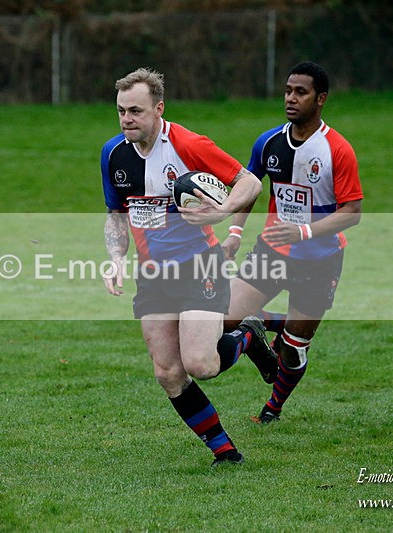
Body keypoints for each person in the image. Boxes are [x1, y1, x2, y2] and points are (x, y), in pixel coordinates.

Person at [101, 68, 278, 466]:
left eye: (135, 111)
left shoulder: (188, 144)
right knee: (168, 372)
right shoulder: (113, 154)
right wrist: (115, 258)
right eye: (120, 111)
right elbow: (116, 213)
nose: (126, 119)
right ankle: (225, 453)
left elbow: (249, 182)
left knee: (201, 364)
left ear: (158, 109)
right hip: (153, 277)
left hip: (201, 268)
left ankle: (248, 334)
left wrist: (223, 209)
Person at [221, 61, 363, 424]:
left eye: (301, 92)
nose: (291, 98)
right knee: (223, 319)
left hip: (320, 261)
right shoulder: (269, 142)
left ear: (321, 99)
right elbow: (248, 188)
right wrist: (235, 233)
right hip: (272, 251)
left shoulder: (337, 149)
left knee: (295, 350)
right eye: (288, 90)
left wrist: (304, 231)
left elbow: (352, 212)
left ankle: (273, 409)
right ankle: (253, 334)